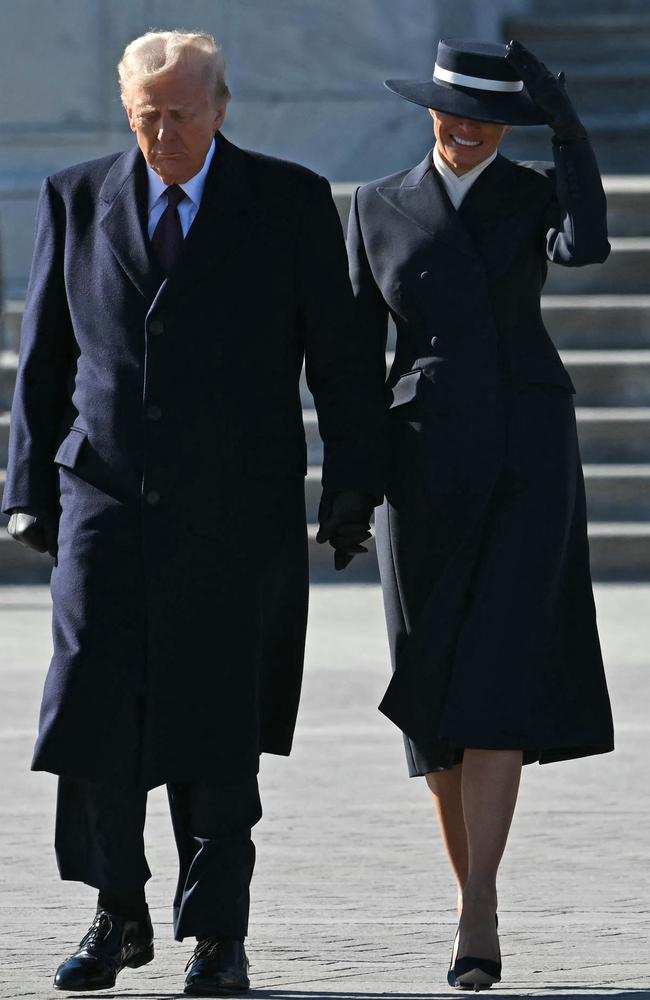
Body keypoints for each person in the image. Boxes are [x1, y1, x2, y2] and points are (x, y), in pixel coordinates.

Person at [3, 30, 383, 996]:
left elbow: (338, 360)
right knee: (90, 712)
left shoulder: (289, 201)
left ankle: (218, 936)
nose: (162, 133)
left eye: (179, 114)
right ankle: (114, 913)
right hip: (103, 498)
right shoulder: (77, 197)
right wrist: (24, 492)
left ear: (221, 107)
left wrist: (350, 488)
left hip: (234, 510)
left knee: (216, 725)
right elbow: (45, 364)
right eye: (145, 116)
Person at [347, 38, 614, 991]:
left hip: (527, 463)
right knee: (434, 694)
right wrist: (348, 483)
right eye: (452, 113)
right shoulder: (375, 206)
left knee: (498, 677)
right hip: (418, 475)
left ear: (508, 125)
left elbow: (584, 245)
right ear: (428, 110)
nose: (464, 132)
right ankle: (474, 891)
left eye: (486, 119)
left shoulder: (533, 192)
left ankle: (479, 908)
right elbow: (350, 361)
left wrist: (571, 133)